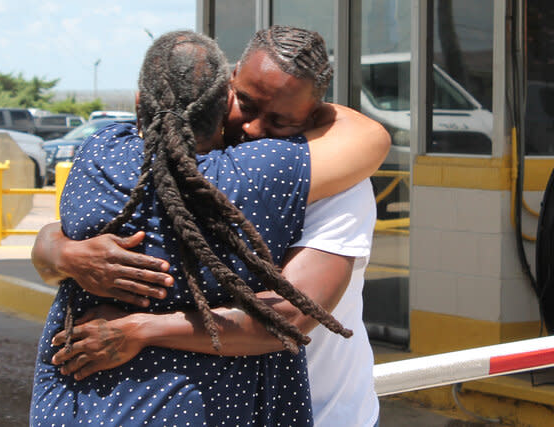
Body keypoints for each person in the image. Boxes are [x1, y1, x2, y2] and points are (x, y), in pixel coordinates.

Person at [30, 29, 389, 426]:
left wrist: (139, 328)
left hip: (327, 412)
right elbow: (61, 236)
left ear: (316, 116)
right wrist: (62, 251)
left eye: (280, 120)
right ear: (227, 86)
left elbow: (290, 313)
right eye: (247, 104)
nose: (253, 128)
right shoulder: (185, 160)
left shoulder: (336, 181)